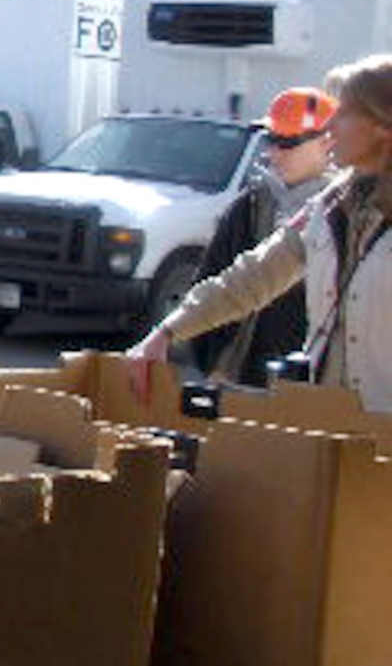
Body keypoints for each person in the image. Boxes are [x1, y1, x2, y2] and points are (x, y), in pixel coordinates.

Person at [128, 55, 392, 413]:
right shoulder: (330, 206)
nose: (330, 129)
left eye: (344, 114)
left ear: (383, 126)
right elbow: (256, 275)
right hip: (326, 425)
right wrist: (165, 333)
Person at [187, 86, 337, 385]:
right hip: (243, 379)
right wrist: (215, 362)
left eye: (287, 142)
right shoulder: (250, 206)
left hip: (321, 387)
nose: (274, 152)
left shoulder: (349, 209)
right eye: (271, 140)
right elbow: (212, 280)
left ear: (326, 143)